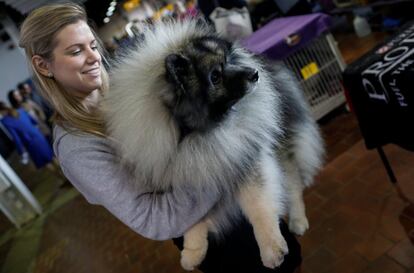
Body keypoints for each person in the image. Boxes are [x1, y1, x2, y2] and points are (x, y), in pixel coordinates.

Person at [19, 3, 301, 272]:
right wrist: (226, 160)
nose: (93, 56)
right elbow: (153, 219)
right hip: (211, 229)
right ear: (44, 66)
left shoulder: (124, 87)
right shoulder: (76, 148)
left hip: (245, 195)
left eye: (93, 45)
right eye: (75, 51)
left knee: (290, 256)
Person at [0, 101, 53, 168]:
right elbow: (34, 122)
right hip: (39, 136)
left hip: (31, 143)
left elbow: (16, 138)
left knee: (46, 164)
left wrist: (21, 151)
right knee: (51, 157)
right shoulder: (20, 110)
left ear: (1, 111)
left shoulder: (5, 121)